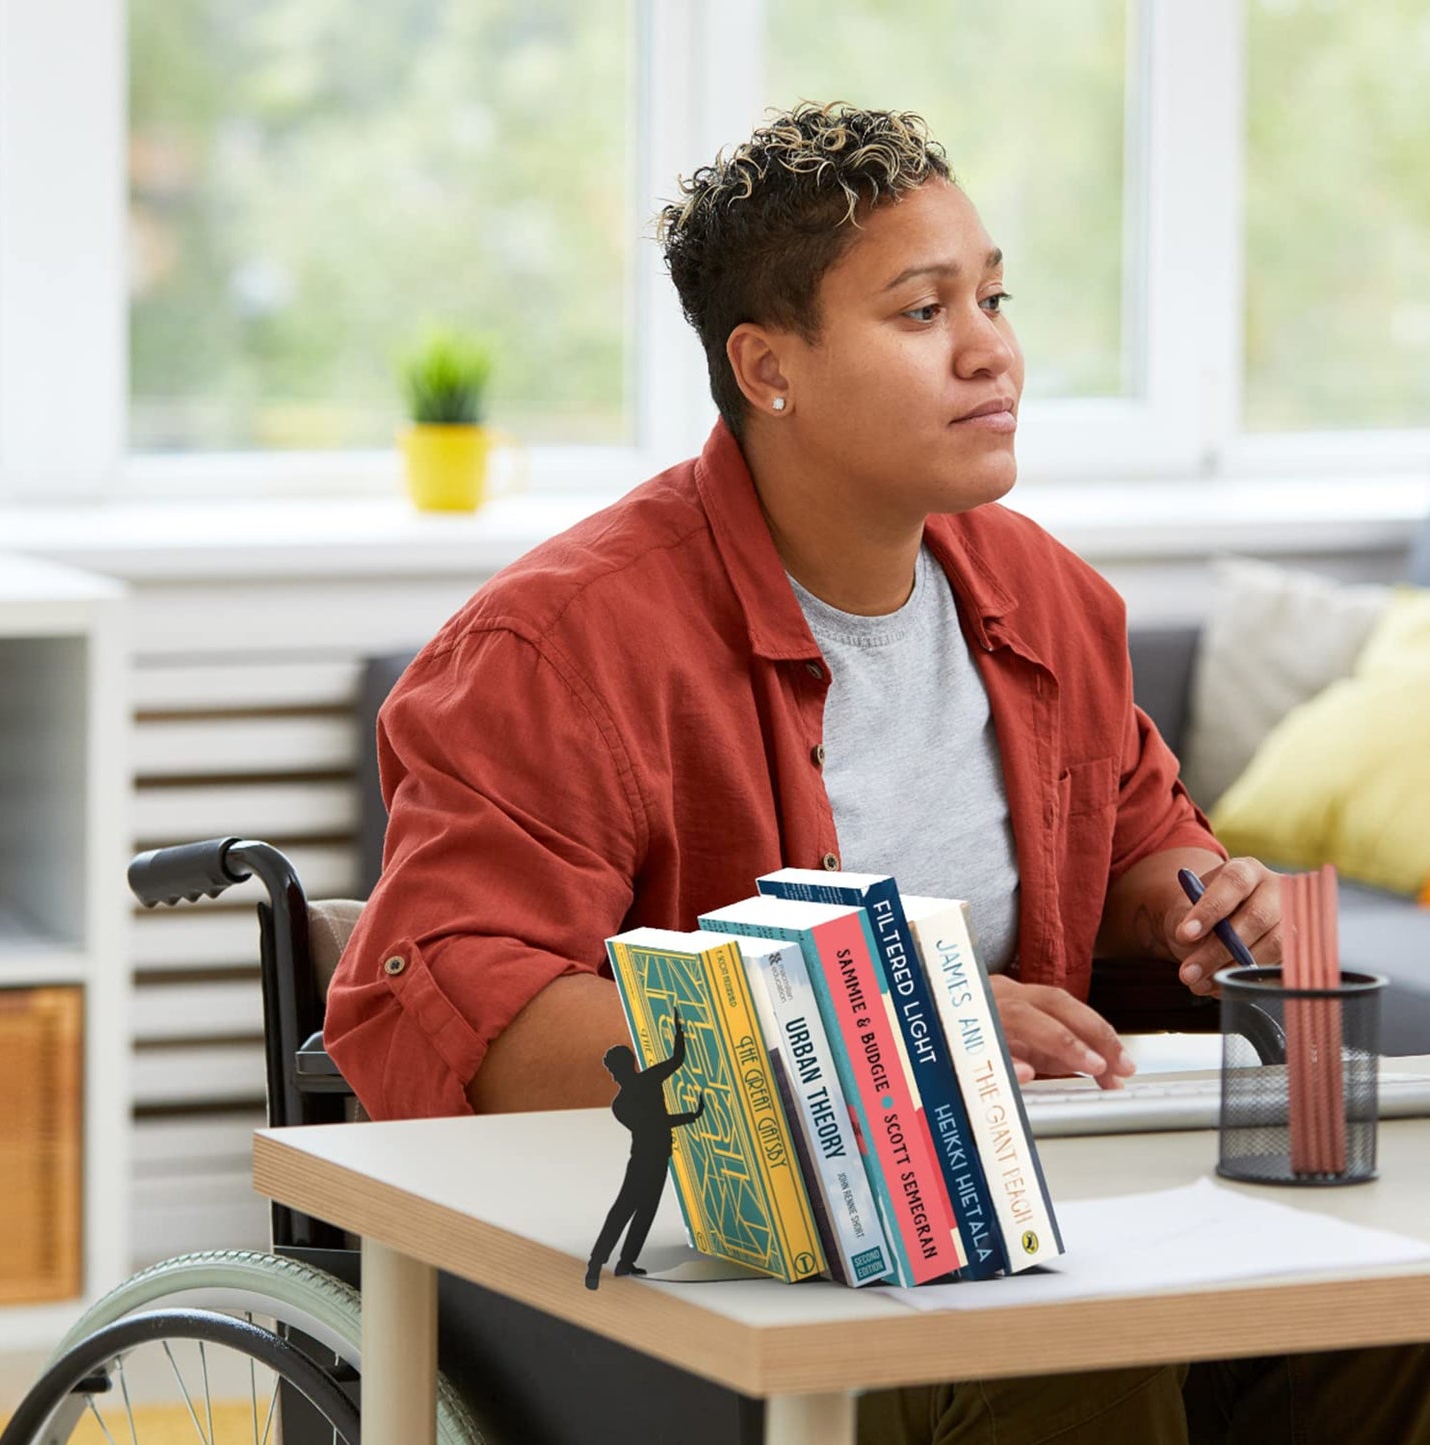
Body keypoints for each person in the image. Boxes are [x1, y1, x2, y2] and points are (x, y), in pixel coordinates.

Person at [325, 103, 1428, 1443]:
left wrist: (1198, 903)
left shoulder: (1049, 599)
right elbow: (462, 1012)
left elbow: (1139, 835)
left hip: (1002, 1209)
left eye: (995, 296)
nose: (991, 350)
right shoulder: (554, 649)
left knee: (1385, 1317)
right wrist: (895, 1046)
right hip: (689, 1246)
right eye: (920, 313)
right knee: (1074, 1350)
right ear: (768, 366)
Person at [587, 1009, 705, 1290]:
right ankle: (599, 1263)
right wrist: (691, 1116)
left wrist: (680, 1031)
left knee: (638, 1210)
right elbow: (656, 1123)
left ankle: (621, 1263)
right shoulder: (631, 1095)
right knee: (628, 1210)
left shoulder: (624, 1100)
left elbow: (677, 1061)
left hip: (653, 1157)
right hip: (646, 1160)